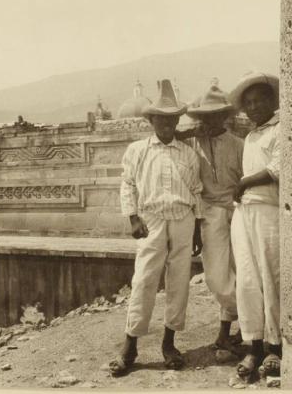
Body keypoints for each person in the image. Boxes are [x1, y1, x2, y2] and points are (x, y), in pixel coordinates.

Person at [109, 79, 204, 377]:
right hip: (151, 222)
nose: (166, 124)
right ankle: (131, 345)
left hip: (183, 220)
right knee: (144, 281)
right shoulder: (138, 150)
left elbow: (196, 191)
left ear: (177, 121)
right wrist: (133, 218)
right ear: (151, 120)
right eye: (161, 119)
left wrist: (198, 228)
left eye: (172, 119)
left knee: (178, 281)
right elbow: (128, 185)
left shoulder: (187, 153)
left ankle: (169, 344)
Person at [185, 81, 244, 354]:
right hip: (209, 214)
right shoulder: (192, 143)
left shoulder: (240, 144)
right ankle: (255, 315)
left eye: (216, 114)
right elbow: (166, 133)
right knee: (217, 279)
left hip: (239, 211)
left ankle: (226, 334)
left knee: (243, 271)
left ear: (225, 116)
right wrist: (192, 129)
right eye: (205, 116)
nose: (211, 120)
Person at [228, 72, 281, 380]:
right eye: (248, 102)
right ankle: (254, 344)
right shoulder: (250, 136)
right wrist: (242, 190)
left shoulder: (281, 129)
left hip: (268, 210)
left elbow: (276, 168)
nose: (253, 106)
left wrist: (245, 182)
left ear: (272, 100)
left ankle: (275, 345)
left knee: (270, 275)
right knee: (247, 278)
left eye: (259, 99)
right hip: (244, 212)